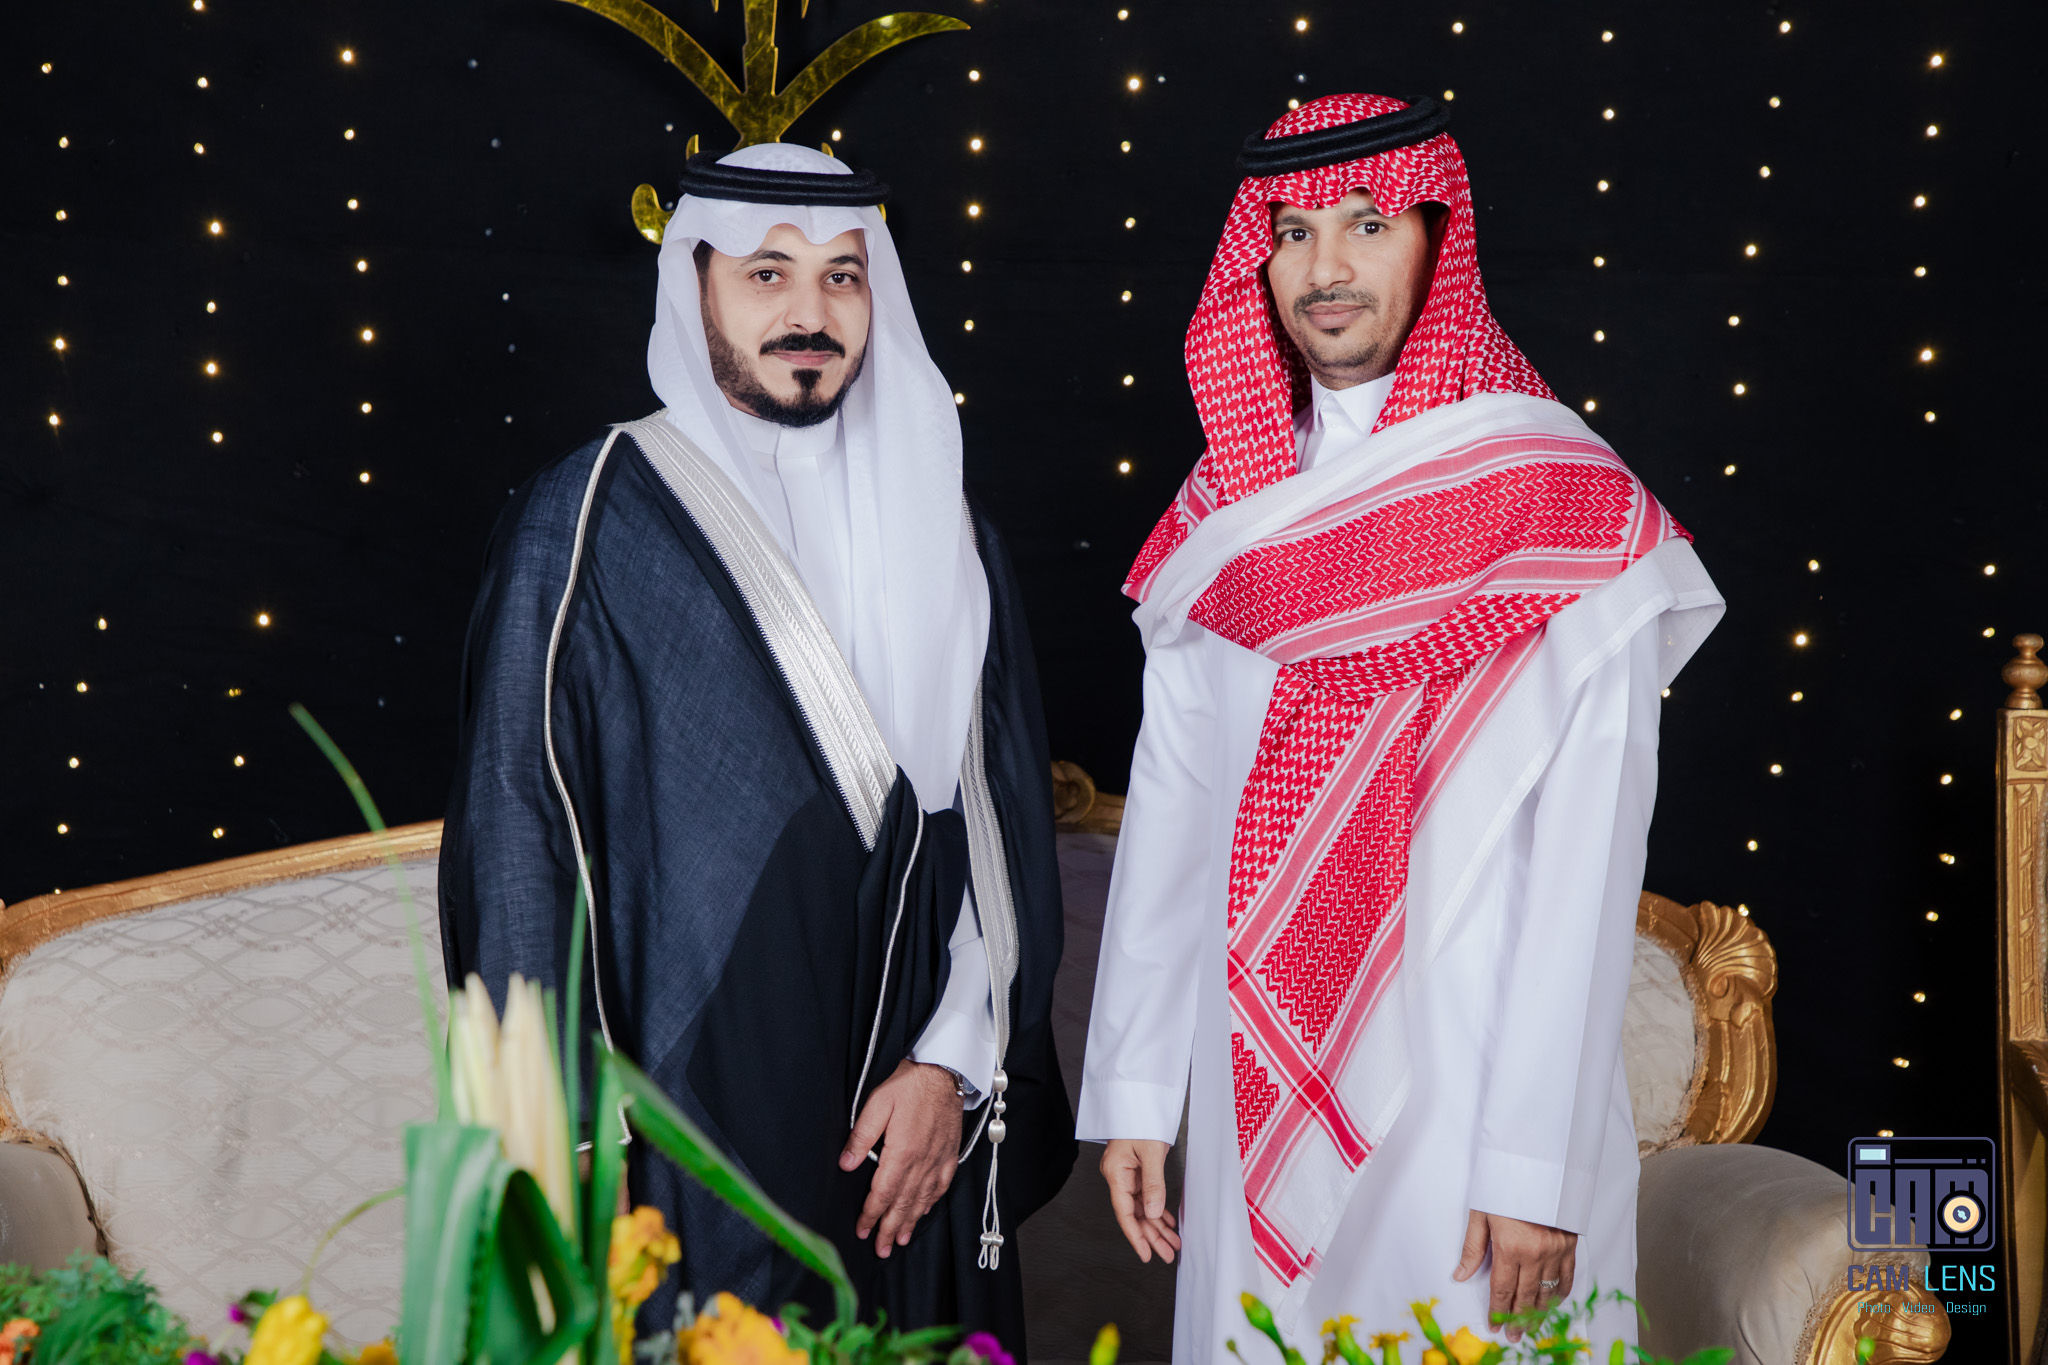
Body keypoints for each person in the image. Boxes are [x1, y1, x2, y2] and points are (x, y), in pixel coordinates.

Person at [1077, 94, 1724, 1357]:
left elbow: (1587, 859)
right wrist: (1137, 1089)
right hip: (1254, 1079)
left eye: (1366, 225)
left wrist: (1533, 1164)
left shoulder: (1555, 501)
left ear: (1437, 240)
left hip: (1479, 1104)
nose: (1324, 267)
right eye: (1292, 231)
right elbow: (1173, 813)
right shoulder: (1224, 518)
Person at [439, 142, 1073, 1354]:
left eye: (842, 276)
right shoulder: (587, 518)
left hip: (913, 1125)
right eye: (767, 272)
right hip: (687, 1123)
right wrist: (568, 1145)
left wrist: (951, 1069)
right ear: (696, 285)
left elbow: (998, 831)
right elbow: (517, 839)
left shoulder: (945, 524)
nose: (809, 312)